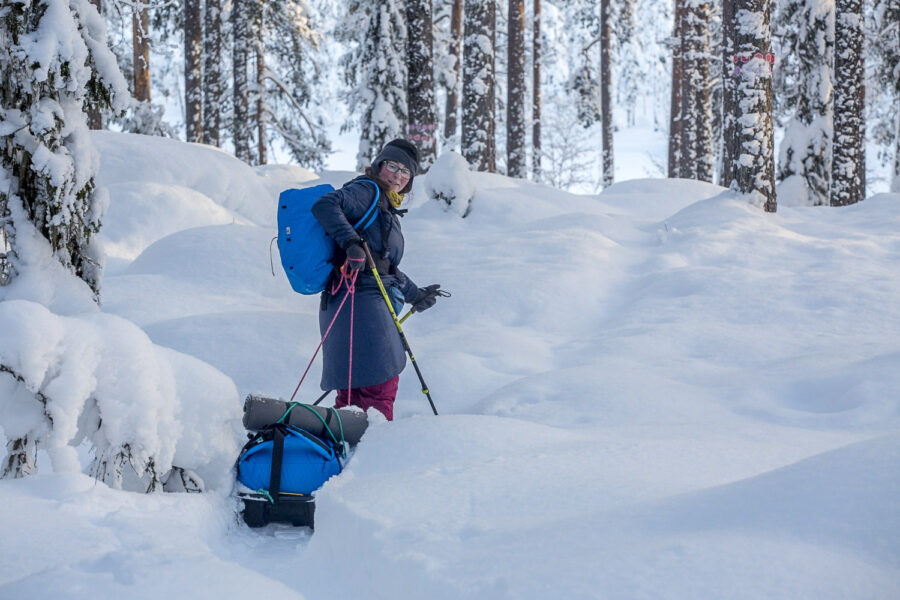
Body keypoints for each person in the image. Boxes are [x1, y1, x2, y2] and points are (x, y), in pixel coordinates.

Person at [310, 139, 442, 421]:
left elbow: (383, 266)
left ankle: (339, 454)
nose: (398, 175)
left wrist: (414, 294)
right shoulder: (367, 190)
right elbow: (325, 205)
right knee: (379, 387)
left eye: (406, 172)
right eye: (393, 166)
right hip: (360, 303)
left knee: (353, 394)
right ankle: (372, 454)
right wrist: (351, 243)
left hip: (353, 302)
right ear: (380, 165)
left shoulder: (384, 207)